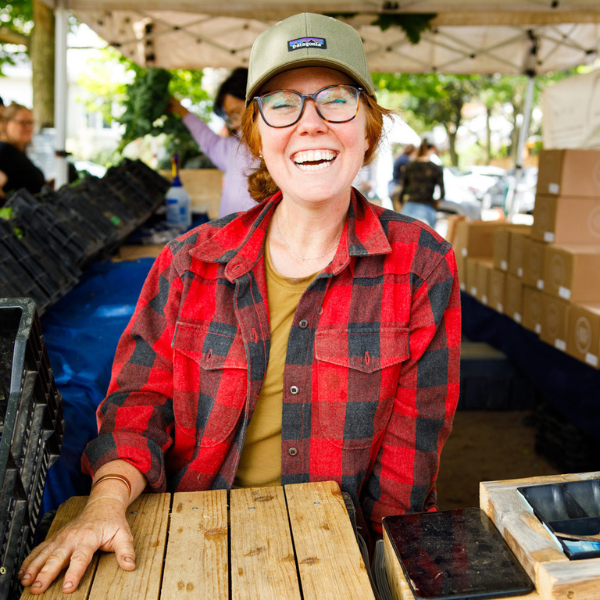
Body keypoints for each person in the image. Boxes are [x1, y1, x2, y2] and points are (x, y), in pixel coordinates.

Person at [20, 13, 460, 595]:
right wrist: (104, 502)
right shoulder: (188, 262)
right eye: (282, 105)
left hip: (335, 552)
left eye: (336, 100)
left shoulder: (421, 265)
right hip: (189, 540)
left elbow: (410, 457)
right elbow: (138, 401)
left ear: (368, 128)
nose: (312, 125)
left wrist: (379, 571)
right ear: (255, 134)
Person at [168, 68, 258, 218]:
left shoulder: (278, 148)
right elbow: (207, 140)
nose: (235, 124)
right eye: (230, 118)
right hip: (230, 239)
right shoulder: (233, 147)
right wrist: (179, 109)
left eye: (236, 112)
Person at [0, 102, 46, 199]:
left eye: (31, 123)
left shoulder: (18, 151)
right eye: (23, 123)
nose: (29, 127)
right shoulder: (4, 151)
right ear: (7, 123)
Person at [398, 138, 445, 228]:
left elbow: (402, 190)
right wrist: (435, 205)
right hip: (428, 209)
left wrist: (401, 205)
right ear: (433, 148)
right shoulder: (436, 168)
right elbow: (442, 193)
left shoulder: (409, 166)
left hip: (408, 208)